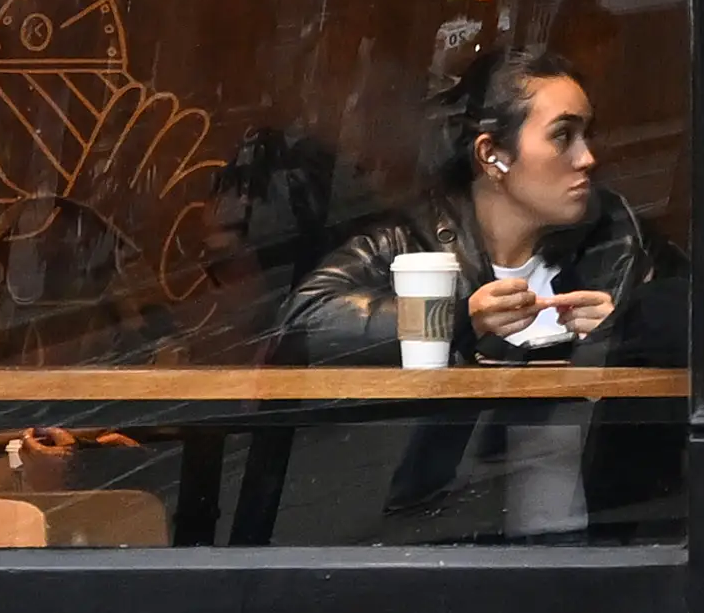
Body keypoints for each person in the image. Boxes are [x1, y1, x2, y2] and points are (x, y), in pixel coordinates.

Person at [285, 48, 676, 371]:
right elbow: (303, 322)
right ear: (492, 156)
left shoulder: (617, 236)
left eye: (586, 134)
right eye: (563, 135)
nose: (587, 157)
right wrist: (458, 316)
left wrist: (624, 329)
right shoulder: (409, 243)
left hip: (593, 466)